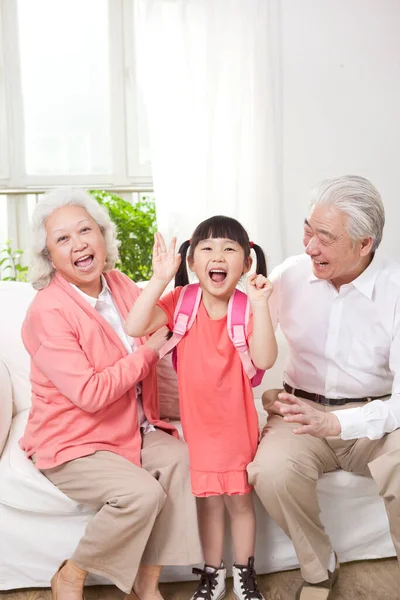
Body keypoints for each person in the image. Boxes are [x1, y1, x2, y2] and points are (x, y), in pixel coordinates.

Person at [19, 188, 202, 600]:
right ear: (49, 257)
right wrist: (147, 353)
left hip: (132, 428)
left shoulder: (118, 284)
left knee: (181, 460)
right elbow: (89, 391)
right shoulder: (47, 312)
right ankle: (72, 573)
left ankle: (146, 584)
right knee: (141, 493)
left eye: (86, 230)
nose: (79, 243)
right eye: (62, 239)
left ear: (103, 237)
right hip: (74, 440)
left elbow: (162, 327)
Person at [246, 175, 400, 600]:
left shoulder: (396, 290)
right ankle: (319, 567)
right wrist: (263, 393)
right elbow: (245, 352)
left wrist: (337, 422)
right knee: (271, 471)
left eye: (325, 238)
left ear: (364, 244)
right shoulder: (289, 275)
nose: (310, 246)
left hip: (376, 419)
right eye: (308, 230)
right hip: (299, 412)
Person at [125, 216, 278, 600]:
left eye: (230, 249)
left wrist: (260, 305)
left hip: (237, 427)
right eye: (207, 248)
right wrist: (159, 279)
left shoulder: (246, 307)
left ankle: (244, 573)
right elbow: (135, 324)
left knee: (240, 503)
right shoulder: (181, 303)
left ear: (247, 263)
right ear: (191, 262)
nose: (218, 256)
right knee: (209, 503)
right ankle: (213, 574)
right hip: (198, 429)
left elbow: (265, 359)